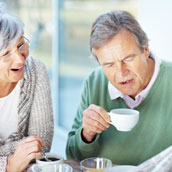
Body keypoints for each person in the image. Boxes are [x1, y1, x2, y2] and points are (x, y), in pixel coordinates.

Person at [66, 10, 172, 166]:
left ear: (145, 50)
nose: (121, 73)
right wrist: (86, 134)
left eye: (128, 59)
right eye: (109, 65)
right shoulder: (94, 82)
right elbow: (73, 157)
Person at [0, 4, 53, 172]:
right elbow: (28, 148)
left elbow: (41, 144)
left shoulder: (36, 71)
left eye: (21, 45)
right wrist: (8, 165)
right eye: (6, 53)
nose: (20, 60)